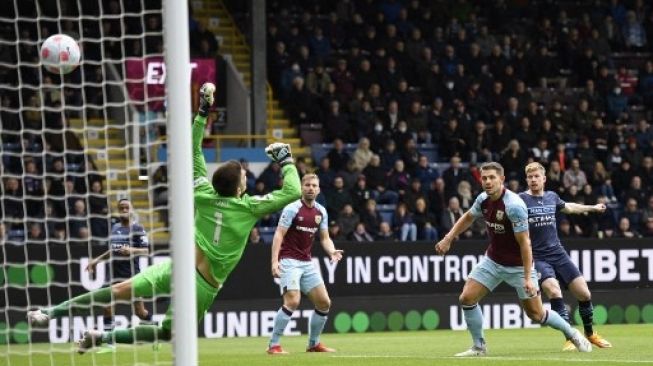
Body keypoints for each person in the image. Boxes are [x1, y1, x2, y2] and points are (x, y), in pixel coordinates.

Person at [28, 83, 302, 353]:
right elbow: (293, 191)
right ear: (240, 187)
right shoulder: (249, 208)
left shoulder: (203, 193)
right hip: (203, 285)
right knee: (167, 332)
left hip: (179, 267)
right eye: (244, 176)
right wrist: (286, 160)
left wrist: (203, 113)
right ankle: (100, 337)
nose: (246, 176)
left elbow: (194, 150)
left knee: (119, 290)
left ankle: (52, 312)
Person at [435, 162, 592, 357]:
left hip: (519, 266)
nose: (487, 181)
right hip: (493, 261)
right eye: (484, 178)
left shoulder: (514, 205)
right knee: (466, 298)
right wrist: (448, 238)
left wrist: (527, 277)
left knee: (536, 314)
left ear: (501, 179)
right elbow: (468, 217)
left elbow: (525, 243)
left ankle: (572, 333)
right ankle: (479, 347)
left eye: (492, 177)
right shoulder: (483, 199)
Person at [519, 162, 612, 351]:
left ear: (544, 179)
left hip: (558, 253)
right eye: (530, 177)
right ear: (527, 180)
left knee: (584, 294)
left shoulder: (552, 196)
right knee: (553, 291)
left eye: (537, 176)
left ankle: (590, 334)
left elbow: (569, 207)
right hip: (537, 257)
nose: (533, 180)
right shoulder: (520, 200)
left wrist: (593, 207)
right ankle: (570, 337)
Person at [267, 174, 343, 354]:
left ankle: (313, 344)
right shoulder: (292, 209)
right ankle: (273, 345)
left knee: (324, 303)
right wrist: (274, 261)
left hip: (307, 262)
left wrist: (331, 251)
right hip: (289, 261)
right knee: (293, 300)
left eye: (314, 185)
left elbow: (324, 238)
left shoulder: (321, 212)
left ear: (318, 189)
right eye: (307, 185)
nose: (311, 188)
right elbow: (279, 235)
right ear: (302, 188)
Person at [85, 199, 152, 340]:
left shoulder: (138, 229)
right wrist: (96, 260)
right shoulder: (115, 227)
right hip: (114, 275)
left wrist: (131, 250)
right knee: (107, 307)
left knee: (140, 312)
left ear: (132, 210)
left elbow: (146, 251)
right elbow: (112, 250)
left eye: (127, 207)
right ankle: (109, 343)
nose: (124, 210)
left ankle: (157, 331)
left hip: (132, 276)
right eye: (121, 207)